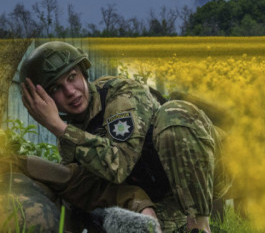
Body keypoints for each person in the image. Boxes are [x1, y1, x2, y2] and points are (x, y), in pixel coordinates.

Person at [19, 41, 229, 232]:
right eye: (57, 88)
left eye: (72, 77)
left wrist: (58, 126)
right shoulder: (70, 133)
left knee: (173, 114)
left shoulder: (120, 94)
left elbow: (119, 166)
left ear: (83, 72)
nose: (71, 92)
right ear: (45, 99)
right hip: (164, 196)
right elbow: (90, 188)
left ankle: (200, 226)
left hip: (209, 170)